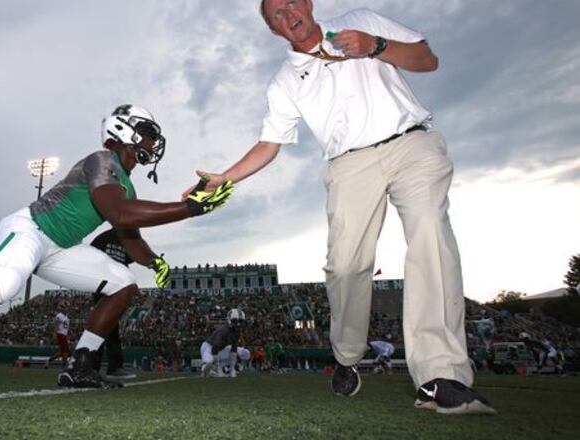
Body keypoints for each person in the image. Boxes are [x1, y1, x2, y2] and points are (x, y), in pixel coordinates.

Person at [190, 0, 494, 414]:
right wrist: (225, 177)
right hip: (349, 163)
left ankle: (442, 376)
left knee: (431, 238)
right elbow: (269, 145)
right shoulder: (284, 80)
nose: (287, 13)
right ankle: (348, 356)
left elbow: (427, 59)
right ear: (274, 30)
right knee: (346, 267)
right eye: (275, 14)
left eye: (291, 2)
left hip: (412, 143)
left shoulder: (361, 22)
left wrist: (376, 45)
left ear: (309, 4)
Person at [0, 104, 235, 402]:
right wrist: (189, 208)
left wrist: (154, 261)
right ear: (123, 131)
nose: (152, 141)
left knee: (123, 285)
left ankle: (80, 364)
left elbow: (129, 234)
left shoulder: (124, 181)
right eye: (147, 133)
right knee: (4, 282)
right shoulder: (102, 159)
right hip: (32, 229)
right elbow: (120, 213)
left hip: (60, 248)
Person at [88, 228, 139, 380]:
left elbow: (128, 261)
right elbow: (89, 258)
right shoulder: (103, 238)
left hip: (117, 288)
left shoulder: (128, 239)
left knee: (111, 328)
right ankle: (102, 367)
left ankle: (102, 367)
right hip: (102, 285)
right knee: (102, 327)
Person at [200, 308, 245, 378]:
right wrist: (218, 368)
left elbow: (234, 349)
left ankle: (221, 368)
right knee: (209, 362)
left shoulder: (237, 332)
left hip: (220, 349)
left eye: (240, 321)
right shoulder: (224, 330)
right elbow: (214, 348)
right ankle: (207, 368)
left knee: (245, 353)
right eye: (235, 321)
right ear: (229, 320)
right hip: (209, 347)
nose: (238, 324)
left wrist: (232, 369)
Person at [53, 301, 71, 366]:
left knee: (62, 352)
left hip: (64, 334)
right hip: (60, 334)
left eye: (66, 308)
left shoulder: (66, 317)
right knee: (66, 350)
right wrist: (55, 333)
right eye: (63, 307)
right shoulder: (59, 315)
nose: (65, 309)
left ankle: (48, 361)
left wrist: (68, 334)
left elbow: (67, 327)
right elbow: (56, 324)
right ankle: (64, 364)